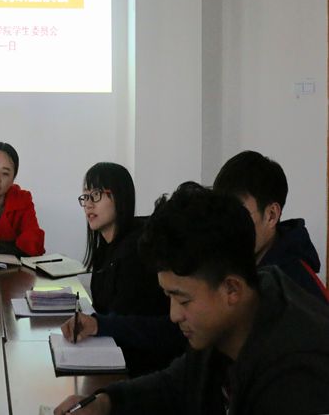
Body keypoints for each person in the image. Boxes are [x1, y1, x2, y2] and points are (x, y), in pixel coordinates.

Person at [54, 183, 329, 415]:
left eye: (183, 300)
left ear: (231, 290)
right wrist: (105, 403)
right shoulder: (226, 319)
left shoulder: (296, 374)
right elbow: (176, 383)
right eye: (169, 296)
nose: (174, 315)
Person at [60, 162, 172, 375]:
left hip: (140, 366)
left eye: (96, 195)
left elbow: (135, 322)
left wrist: (97, 324)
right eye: (85, 196)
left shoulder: (135, 252)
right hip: (114, 354)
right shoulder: (105, 248)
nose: (88, 204)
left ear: (120, 197)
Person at [213, 150, 328, 303]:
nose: (225, 227)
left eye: (237, 214)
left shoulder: (294, 287)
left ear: (271, 215)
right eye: (221, 213)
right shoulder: (234, 268)